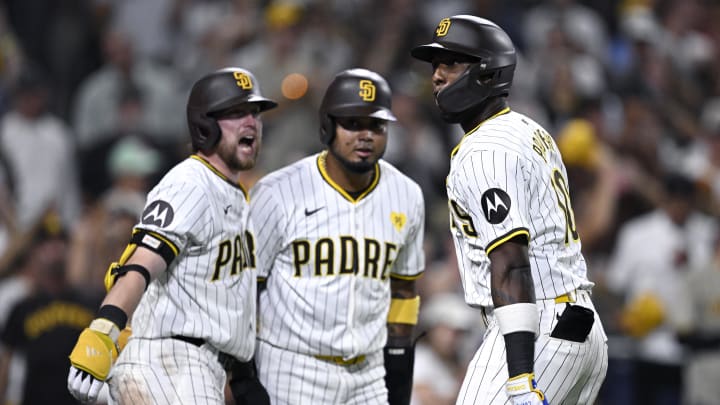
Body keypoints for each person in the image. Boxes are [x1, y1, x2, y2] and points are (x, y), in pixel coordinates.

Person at [410, 15, 608, 404]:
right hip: (580, 327)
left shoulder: (484, 149)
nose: (436, 75)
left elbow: (511, 261)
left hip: (538, 331)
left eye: (451, 63)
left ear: (487, 72)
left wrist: (520, 378)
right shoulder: (529, 130)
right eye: (435, 65)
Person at [66, 67, 277, 405]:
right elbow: (140, 264)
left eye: (255, 112)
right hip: (168, 365)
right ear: (204, 125)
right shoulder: (189, 183)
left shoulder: (235, 196)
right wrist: (104, 330)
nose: (251, 121)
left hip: (198, 368)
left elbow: (224, 300)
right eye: (236, 113)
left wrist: (244, 380)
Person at [249, 68, 425, 405]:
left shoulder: (407, 194)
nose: (366, 135)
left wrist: (399, 371)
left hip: (368, 374)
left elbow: (403, 290)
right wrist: (241, 373)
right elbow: (246, 289)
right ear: (328, 126)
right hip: (292, 367)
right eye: (352, 124)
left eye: (376, 125)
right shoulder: (277, 192)